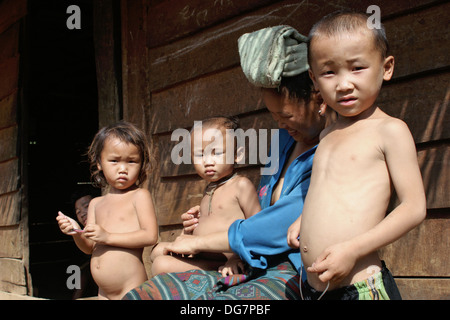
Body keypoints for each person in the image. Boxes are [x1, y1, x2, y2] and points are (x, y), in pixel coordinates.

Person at [123, 25, 330, 300]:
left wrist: (200, 242)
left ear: (318, 98)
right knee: (141, 296)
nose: (279, 124)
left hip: (295, 270)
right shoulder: (282, 142)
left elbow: (274, 225)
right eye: (274, 115)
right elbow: (255, 211)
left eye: (286, 116)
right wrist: (197, 229)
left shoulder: (331, 151)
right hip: (257, 264)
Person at [291, 10, 426, 300]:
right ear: (314, 79)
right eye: (329, 72)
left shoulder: (389, 130)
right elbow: (329, 192)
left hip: (361, 290)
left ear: (386, 68)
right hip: (313, 290)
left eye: (357, 68)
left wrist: (351, 250)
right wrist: (303, 220)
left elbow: (414, 207)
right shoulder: (327, 134)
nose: (343, 84)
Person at [56, 120, 159, 299]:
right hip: (103, 292)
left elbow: (150, 236)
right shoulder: (96, 203)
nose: (122, 169)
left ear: (141, 164)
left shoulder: (139, 196)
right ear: (99, 163)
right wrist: (75, 232)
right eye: (114, 161)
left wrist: (108, 237)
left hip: (131, 286)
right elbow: (89, 247)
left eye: (132, 161)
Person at [150, 116, 261, 276]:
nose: (208, 161)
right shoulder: (209, 189)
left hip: (226, 261)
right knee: (157, 251)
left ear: (237, 154)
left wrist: (237, 258)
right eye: (200, 155)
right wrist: (188, 232)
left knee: (161, 264)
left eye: (216, 153)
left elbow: (256, 226)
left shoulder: (240, 185)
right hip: (202, 255)